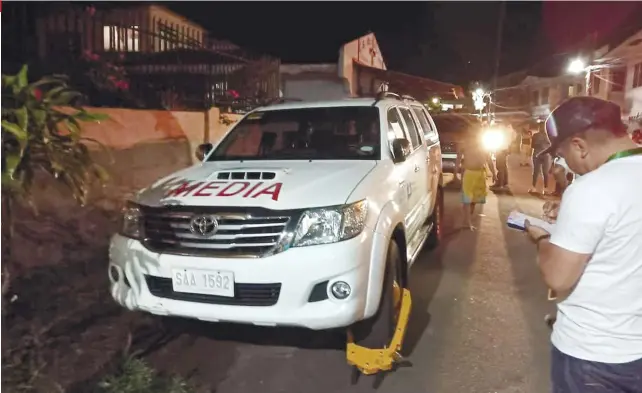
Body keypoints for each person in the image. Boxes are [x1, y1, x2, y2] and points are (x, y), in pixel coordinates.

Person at [524, 96, 642, 393]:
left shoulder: (592, 189)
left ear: (579, 145)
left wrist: (541, 237)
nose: (564, 163)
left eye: (563, 154)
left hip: (594, 357)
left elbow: (558, 277)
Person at [456, 134, 491, 231]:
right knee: (467, 199)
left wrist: (494, 172)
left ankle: (467, 220)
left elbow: (488, 159)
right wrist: (455, 173)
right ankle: (467, 222)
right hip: (469, 173)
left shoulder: (483, 146)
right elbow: (458, 158)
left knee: (475, 199)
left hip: (480, 173)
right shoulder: (465, 145)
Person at [529, 124, 552, 194]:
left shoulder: (535, 135)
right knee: (545, 172)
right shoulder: (549, 136)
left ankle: (533, 187)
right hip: (546, 154)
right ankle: (546, 188)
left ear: (539, 128)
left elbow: (532, 146)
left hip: (537, 154)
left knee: (535, 171)